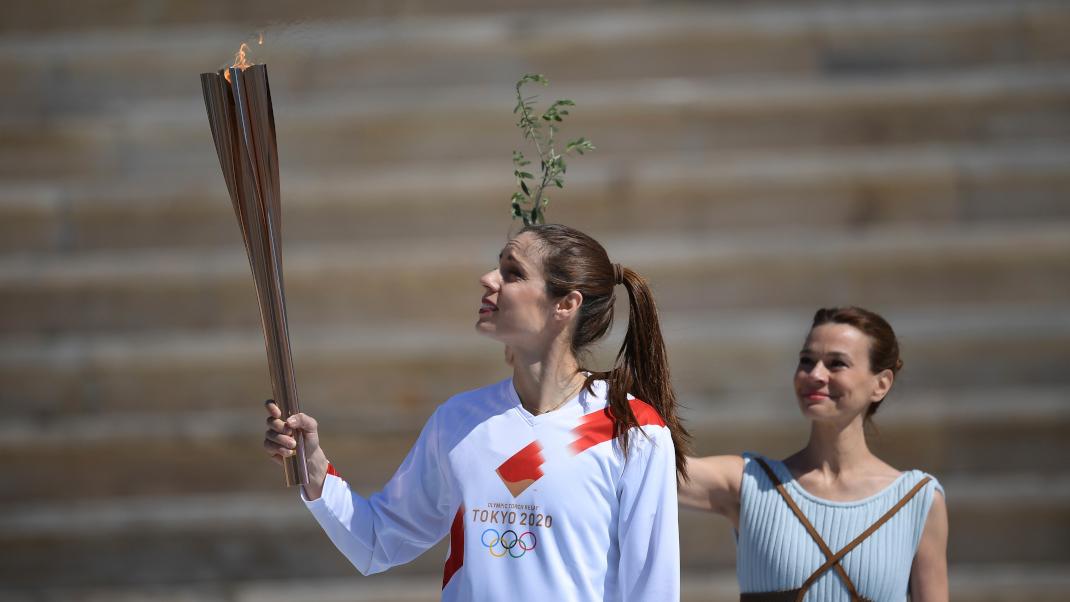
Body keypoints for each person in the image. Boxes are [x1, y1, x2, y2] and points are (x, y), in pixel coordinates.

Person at [264, 223, 690, 601]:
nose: (488, 279)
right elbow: (377, 541)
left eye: (513, 272)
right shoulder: (459, 421)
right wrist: (315, 467)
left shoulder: (632, 430)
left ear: (566, 304)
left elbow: (651, 590)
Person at [680, 307, 948, 602]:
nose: (815, 374)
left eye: (837, 364)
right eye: (806, 361)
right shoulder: (751, 484)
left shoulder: (918, 500)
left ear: (880, 384)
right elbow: (653, 472)